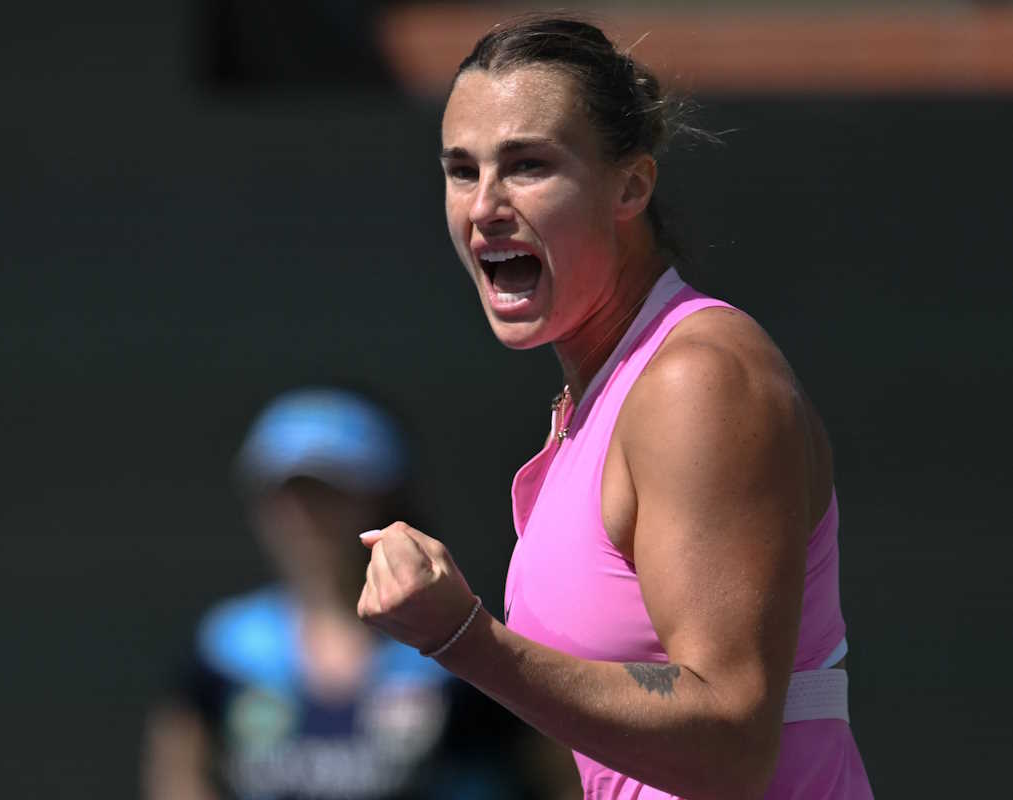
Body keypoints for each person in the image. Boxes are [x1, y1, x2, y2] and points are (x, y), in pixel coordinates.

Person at [356, 16, 872, 800]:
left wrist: (460, 636)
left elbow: (730, 746)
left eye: (527, 165)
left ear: (629, 185)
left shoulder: (695, 380)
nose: (485, 205)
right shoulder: (600, 397)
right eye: (462, 171)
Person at [141, 387, 563, 800]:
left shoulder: (462, 647)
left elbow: (562, 778)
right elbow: (179, 772)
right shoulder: (226, 651)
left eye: (330, 493)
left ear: (385, 499)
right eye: (288, 494)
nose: (304, 517)